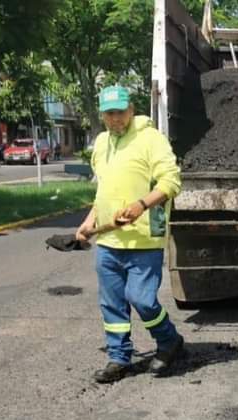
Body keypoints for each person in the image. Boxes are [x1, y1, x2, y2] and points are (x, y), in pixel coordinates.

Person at [74, 86, 184, 384]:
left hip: (143, 239)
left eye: (121, 112)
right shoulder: (100, 143)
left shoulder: (150, 139)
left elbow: (171, 181)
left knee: (142, 298)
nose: (116, 119)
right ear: (102, 115)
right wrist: (88, 223)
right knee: (112, 303)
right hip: (108, 242)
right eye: (109, 113)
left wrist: (141, 205)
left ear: (131, 109)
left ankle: (169, 340)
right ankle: (118, 357)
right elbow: (103, 193)